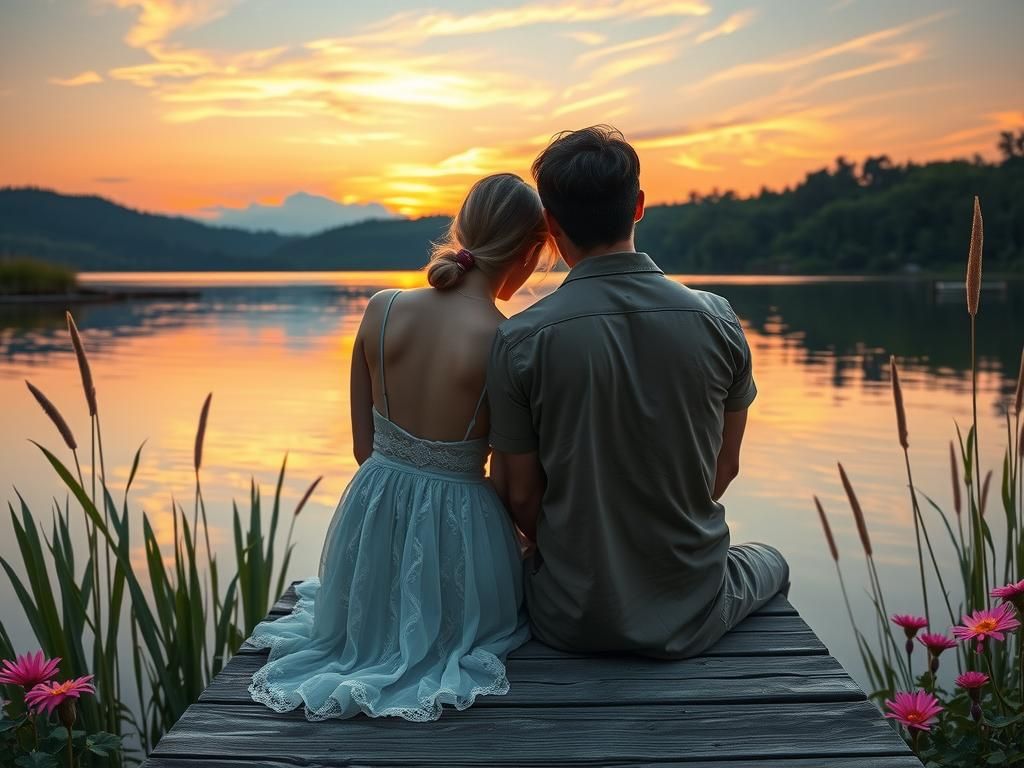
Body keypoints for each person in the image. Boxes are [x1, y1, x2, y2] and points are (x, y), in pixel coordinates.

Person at [248, 173, 548, 720]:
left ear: (462, 227)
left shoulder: (381, 309)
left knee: (348, 635)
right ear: (529, 253)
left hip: (371, 513)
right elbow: (510, 480)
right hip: (461, 523)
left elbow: (366, 448)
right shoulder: (507, 339)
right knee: (478, 632)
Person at [487, 125, 789, 659]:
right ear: (640, 207)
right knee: (771, 560)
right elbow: (723, 467)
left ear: (551, 225)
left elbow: (518, 495)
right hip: (694, 610)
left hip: (566, 617)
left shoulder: (518, 340)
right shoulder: (718, 320)